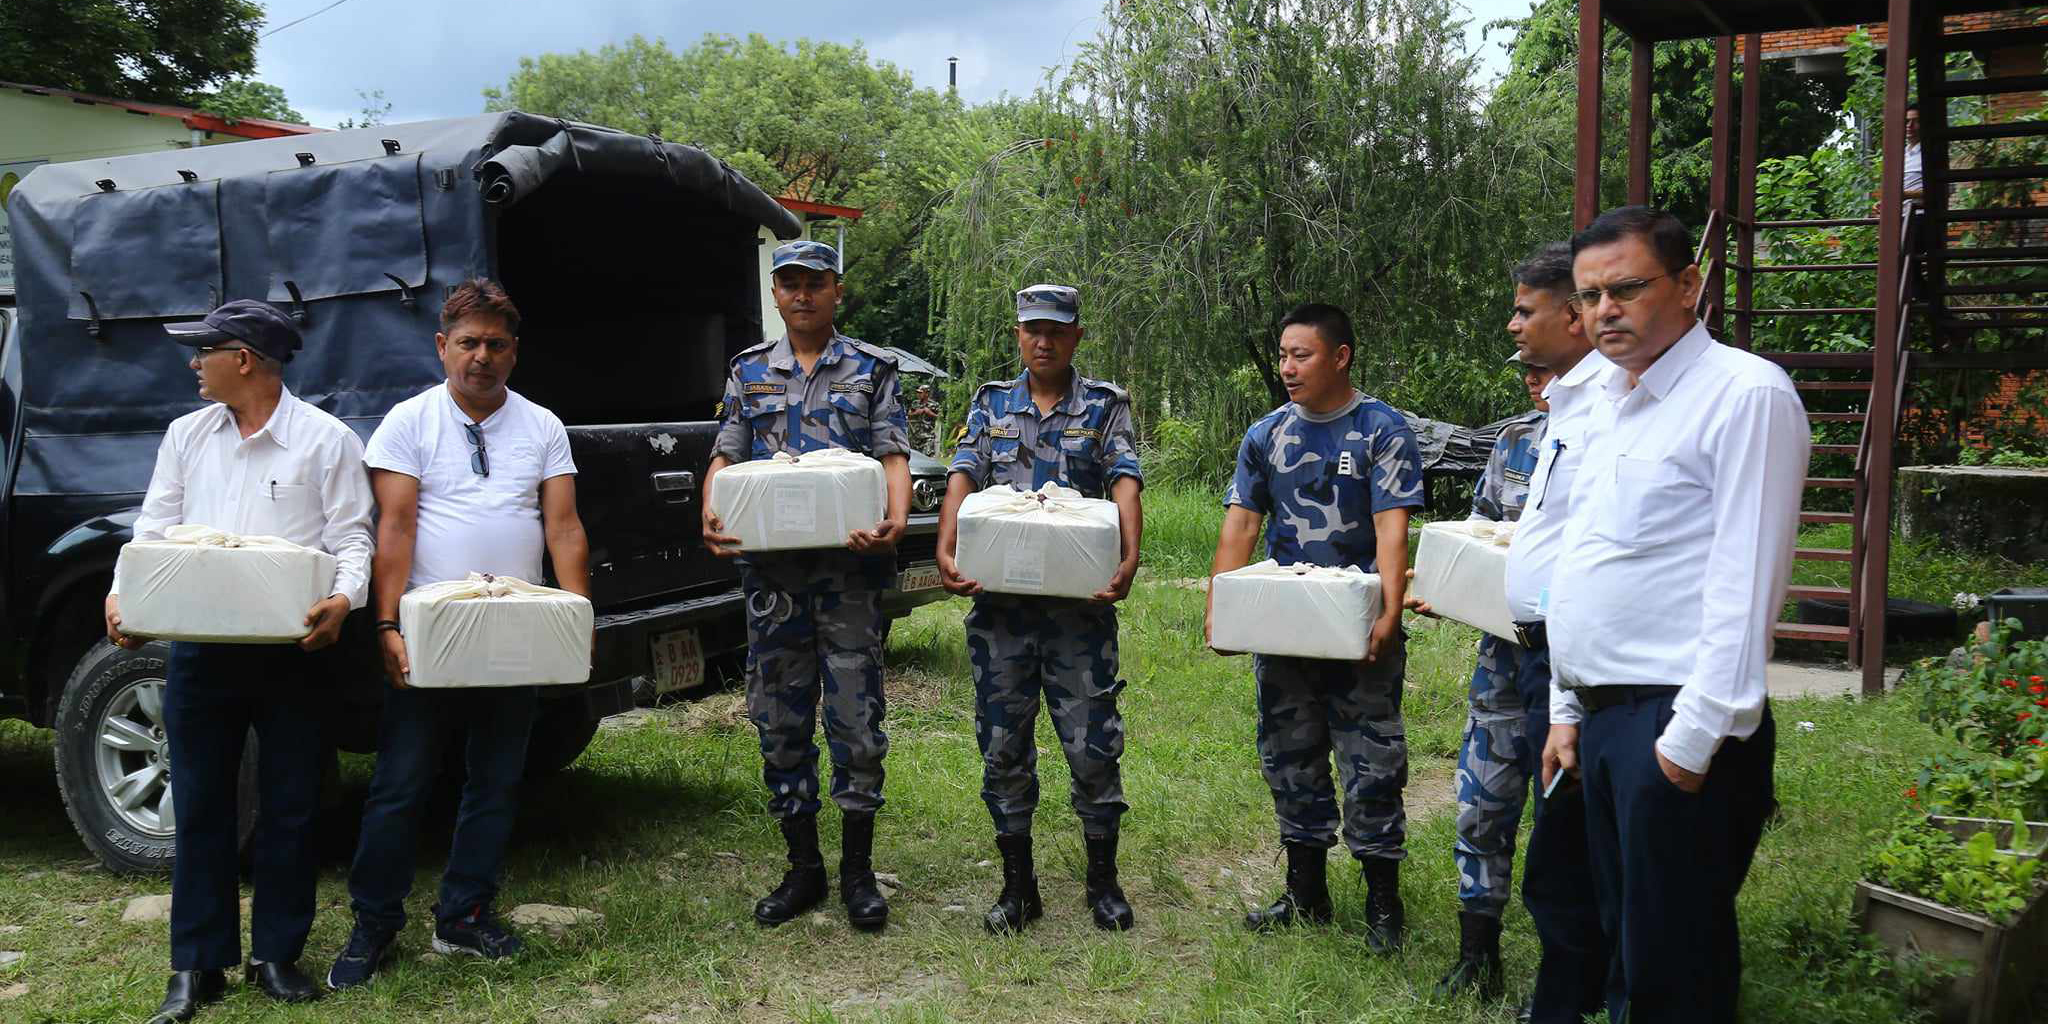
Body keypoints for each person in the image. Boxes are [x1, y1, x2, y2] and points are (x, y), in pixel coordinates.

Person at [1540, 207, 1808, 1023]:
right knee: (1626, 950)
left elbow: (1745, 583)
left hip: (1679, 722)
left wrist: (1688, 748)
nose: (1604, 311)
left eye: (1626, 288)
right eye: (1589, 297)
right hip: (1604, 717)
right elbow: (1586, 560)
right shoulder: (1610, 403)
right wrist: (1566, 705)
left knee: (1672, 970)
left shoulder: (1743, 395)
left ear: (1689, 285)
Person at [103, 299, 374, 1020]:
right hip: (201, 648)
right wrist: (121, 595)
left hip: (294, 650)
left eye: (205, 351)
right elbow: (154, 528)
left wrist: (343, 602)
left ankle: (276, 955)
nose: (194, 364)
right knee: (200, 806)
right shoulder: (187, 436)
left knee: (290, 806)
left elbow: (353, 541)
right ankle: (197, 965)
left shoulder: (324, 440)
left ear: (244, 359)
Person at [328, 279, 591, 989]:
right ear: (442, 347)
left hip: (515, 629)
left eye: (496, 344)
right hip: (431, 629)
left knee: (497, 779)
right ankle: (374, 925)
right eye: (468, 343)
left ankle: (465, 916)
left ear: (515, 352)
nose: (482, 357)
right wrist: (385, 622)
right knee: (400, 782)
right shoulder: (408, 423)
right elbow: (395, 527)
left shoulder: (542, 426)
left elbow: (562, 525)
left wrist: (577, 616)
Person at [702, 240, 913, 931]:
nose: (801, 295)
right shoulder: (748, 372)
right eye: (788, 284)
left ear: (835, 291)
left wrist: (894, 520)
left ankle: (857, 872)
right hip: (774, 583)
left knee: (856, 723)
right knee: (779, 723)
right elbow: (726, 455)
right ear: (776, 293)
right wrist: (712, 512)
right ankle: (803, 868)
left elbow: (892, 458)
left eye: (814, 284)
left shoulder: (873, 371)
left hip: (849, 577)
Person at [1207, 303, 1423, 952]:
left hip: (1359, 632)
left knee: (1372, 765)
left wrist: (1388, 609)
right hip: (1286, 628)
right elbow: (1242, 523)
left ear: (1340, 356)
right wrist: (1221, 607)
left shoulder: (1380, 430)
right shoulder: (1266, 435)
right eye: (1282, 356)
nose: (1288, 367)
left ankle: (1383, 905)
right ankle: (1306, 896)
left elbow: (1393, 527)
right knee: (1290, 758)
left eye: (1301, 355)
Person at [935, 284, 1144, 934]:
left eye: (1056, 329)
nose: (1044, 340)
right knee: (1003, 749)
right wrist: (946, 545)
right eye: (1032, 329)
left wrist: (1129, 556)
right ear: (1019, 333)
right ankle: (1017, 887)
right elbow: (963, 472)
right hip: (1001, 616)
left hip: (1078, 619)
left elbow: (1124, 477)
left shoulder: (1105, 405)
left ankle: (1102, 882)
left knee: (1092, 750)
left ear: (1076, 335)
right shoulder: (991, 402)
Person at [1430, 348, 1549, 1001]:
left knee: (1564, 819)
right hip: (1501, 661)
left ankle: (1569, 969)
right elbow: (1477, 532)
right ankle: (1478, 954)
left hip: (1570, 662)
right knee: (1482, 803)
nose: (1533, 379)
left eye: (1543, 367)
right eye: (1525, 370)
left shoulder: (1606, 436)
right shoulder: (1512, 443)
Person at [908, 383, 942, 456]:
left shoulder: (934, 405)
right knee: (914, 458)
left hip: (928, 436)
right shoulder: (915, 403)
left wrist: (929, 412)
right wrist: (917, 412)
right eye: (917, 392)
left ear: (926, 394)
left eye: (920, 393)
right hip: (915, 437)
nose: (918, 394)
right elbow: (909, 415)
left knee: (928, 457)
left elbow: (940, 418)